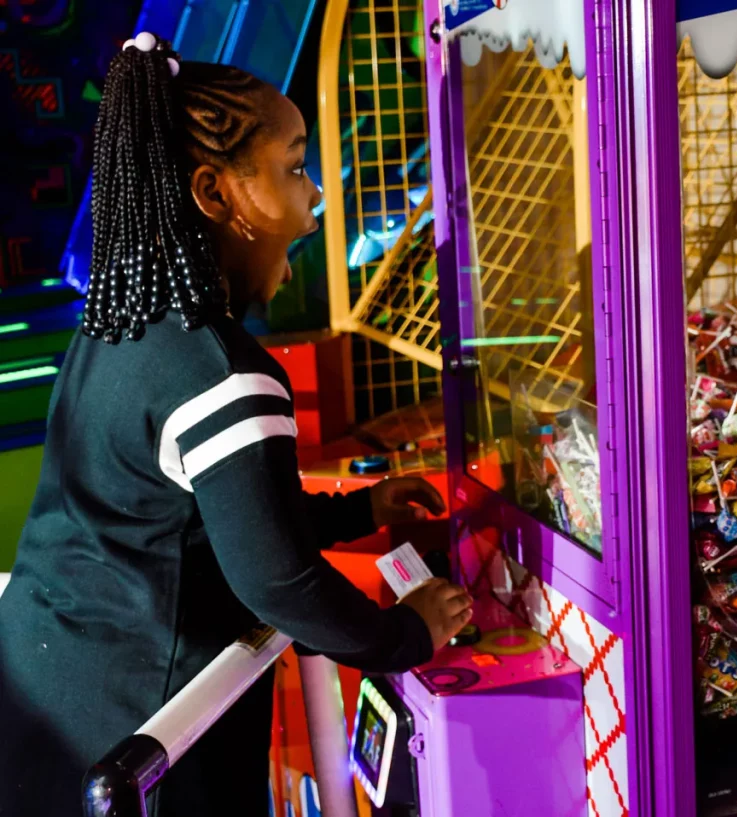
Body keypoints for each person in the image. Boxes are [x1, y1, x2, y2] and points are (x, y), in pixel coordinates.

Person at [0, 33, 472, 817]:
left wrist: (361, 508)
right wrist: (405, 636)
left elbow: (202, 524)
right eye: (293, 168)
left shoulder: (116, 332)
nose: (316, 198)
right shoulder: (223, 373)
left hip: (42, 705)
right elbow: (278, 579)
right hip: (145, 737)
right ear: (217, 195)